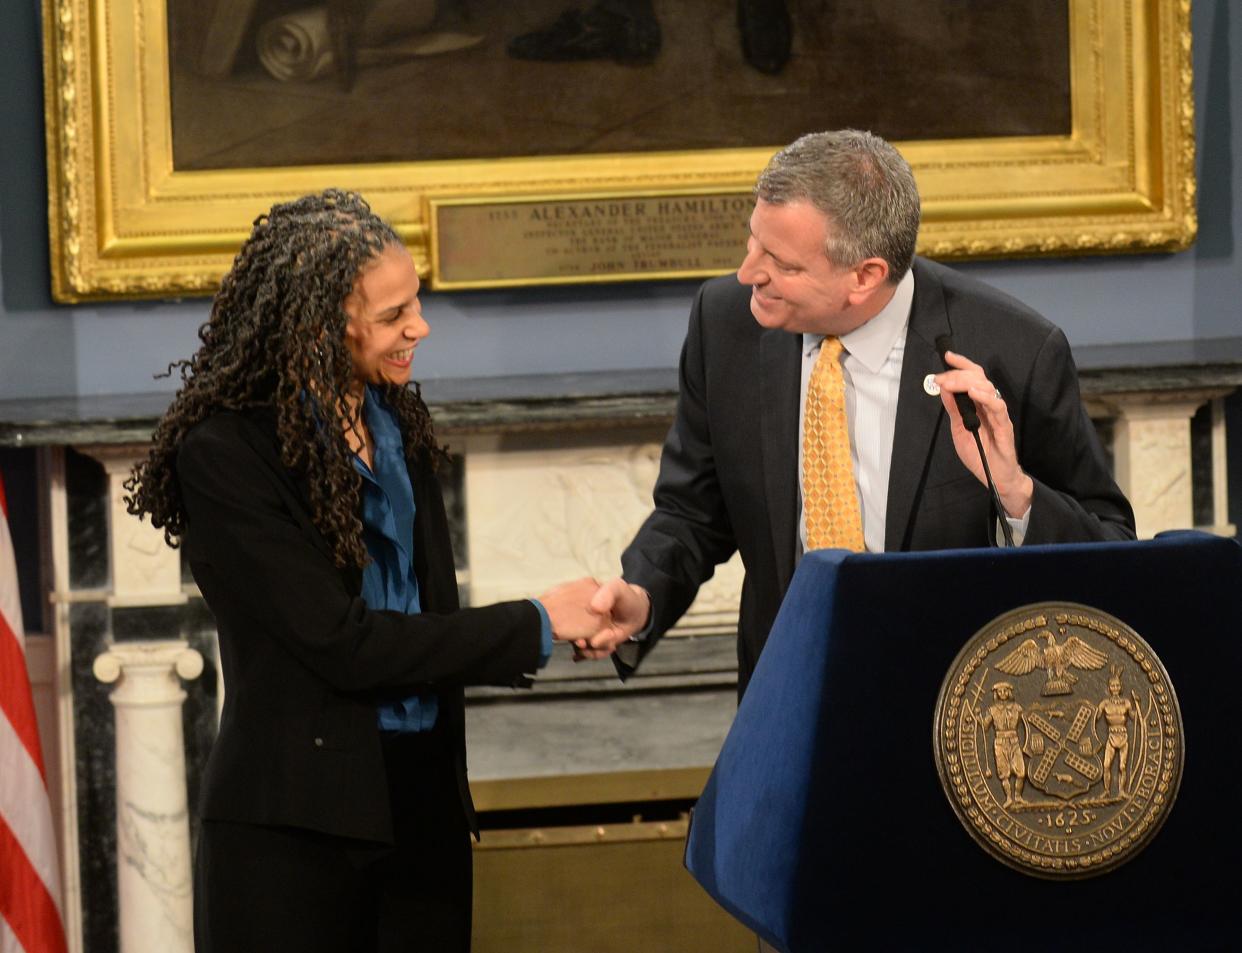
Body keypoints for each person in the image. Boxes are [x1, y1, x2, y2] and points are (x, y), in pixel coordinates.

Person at [125, 190, 603, 953]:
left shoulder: (399, 423)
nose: (419, 326)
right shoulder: (224, 455)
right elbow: (343, 643)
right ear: (318, 326)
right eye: (392, 315)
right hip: (295, 830)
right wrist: (537, 623)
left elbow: (422, 618)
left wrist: (550, 625)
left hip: (424, 809)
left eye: (415, 301)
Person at [582, 129, 1136, 697]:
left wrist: (1015, 491)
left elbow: (1112, 551)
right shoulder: (725, 324)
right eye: (753, 242)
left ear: (865, 276)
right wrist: (641, 594)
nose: (750, 272)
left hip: (957, 709)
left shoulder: (1013, 350)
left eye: (780, 262)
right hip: (786, 695)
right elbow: (692, 512)